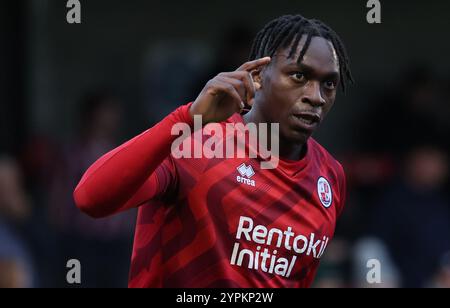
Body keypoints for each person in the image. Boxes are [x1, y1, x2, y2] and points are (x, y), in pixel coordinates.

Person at [74, 14, 354, 288]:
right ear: (257, 75)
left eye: (328, 83)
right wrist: (185, 118)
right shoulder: (195, 145)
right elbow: (90, 198)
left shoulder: (330, 176)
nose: (315, 97)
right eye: (298, 76)